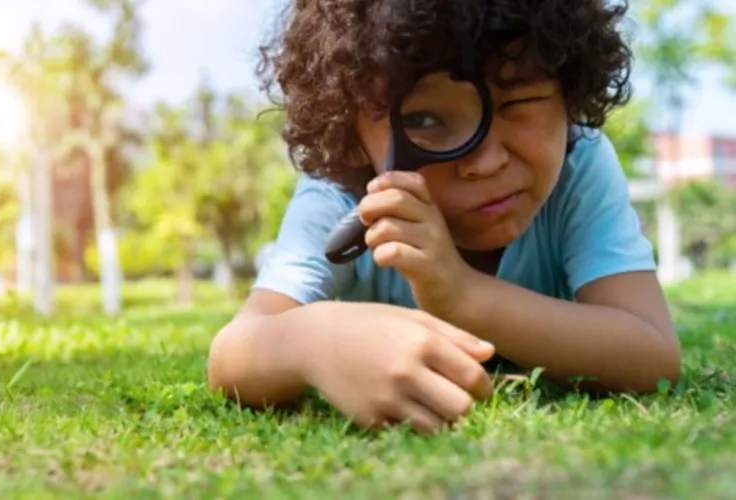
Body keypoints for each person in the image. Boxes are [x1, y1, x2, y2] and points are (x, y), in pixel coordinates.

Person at [206, 0, 681, 434]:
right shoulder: (340, 198)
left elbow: (652, 352)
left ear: (571, 93)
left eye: (518, 103)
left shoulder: (581, 165)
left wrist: (461, 294)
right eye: (425, 121)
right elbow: (234, 350)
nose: (486, 162)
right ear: (350, 134)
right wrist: (314, 341)